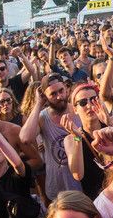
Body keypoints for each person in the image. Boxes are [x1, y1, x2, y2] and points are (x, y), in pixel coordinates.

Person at [21, 73, 83, 201]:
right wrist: (38, 104)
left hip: (82, 184)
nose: (59, 96)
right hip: (57, 187)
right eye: (53, 94)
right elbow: (25, 138)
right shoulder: (43, 117)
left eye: (61, 91)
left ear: (66, 88)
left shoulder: (78, 110)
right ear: (45, 97)